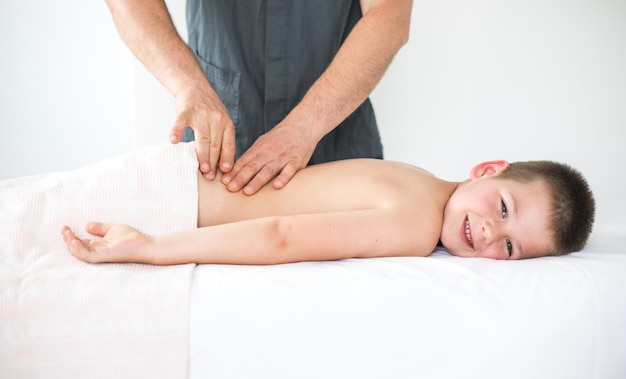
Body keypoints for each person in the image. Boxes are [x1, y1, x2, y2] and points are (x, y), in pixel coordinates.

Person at [104, 0, 413, 195]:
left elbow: (391, 12)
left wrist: (305, 126)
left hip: (336, 143)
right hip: (216, 146)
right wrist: (188, 85)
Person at [61, 156, 595, 265]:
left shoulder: (416, 177)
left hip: (175, 177)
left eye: (510, 246)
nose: (487, 232)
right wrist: (153, 247)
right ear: (488, 168)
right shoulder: (414, 223)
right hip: (172, 208)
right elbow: (280, 235)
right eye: (503, 207)